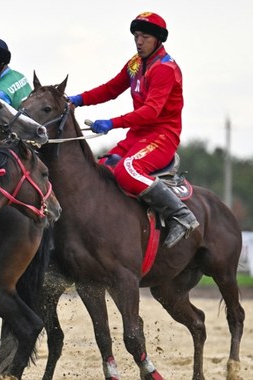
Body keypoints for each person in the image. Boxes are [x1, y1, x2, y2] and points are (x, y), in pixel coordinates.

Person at [67, 11, 199, 248]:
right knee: (99, 170)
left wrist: (111, 122)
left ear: (158, 40)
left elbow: (151, 112)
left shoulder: (165, 69)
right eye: (136, 36)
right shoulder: (135, 63)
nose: (139, 41)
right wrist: (77, 99)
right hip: (138, 136)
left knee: (126, 171)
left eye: (145, 37)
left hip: (162, 138)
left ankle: (181, 215)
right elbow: (110, 89)